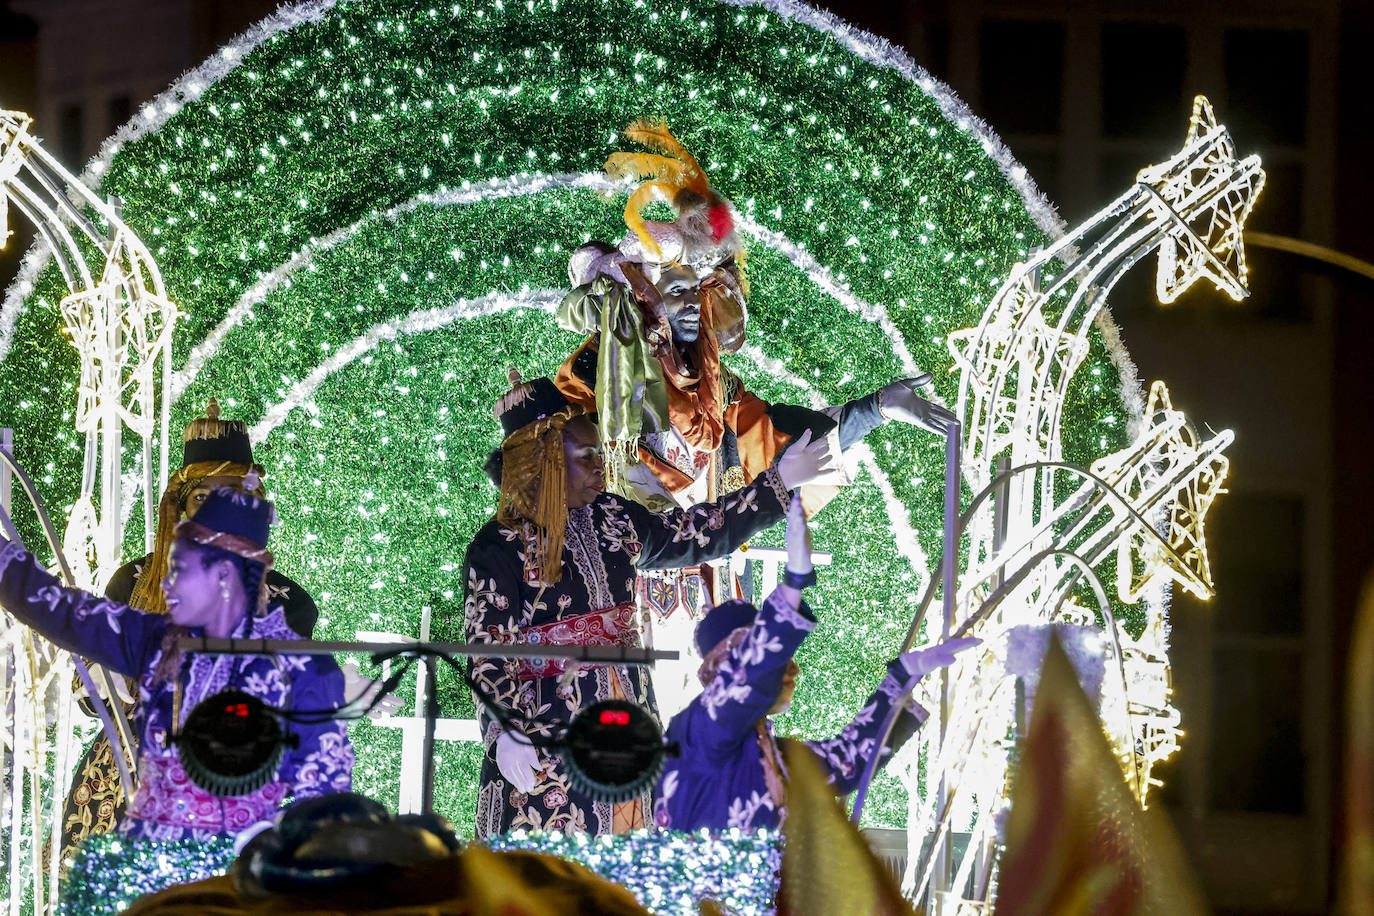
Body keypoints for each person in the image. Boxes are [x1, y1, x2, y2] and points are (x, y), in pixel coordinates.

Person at [457, 371, 842, 838]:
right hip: (549, 740)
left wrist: (775, 484)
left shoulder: (613, 516)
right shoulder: (497, 547)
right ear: (546, 462)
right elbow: (488, 654)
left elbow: (700, 535)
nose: (602, 466)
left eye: (599, 452)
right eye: (587, 455)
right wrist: (503, 734)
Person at [0, 480, 353, 910]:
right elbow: (56, 607)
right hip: (148, 864)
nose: (167, 585)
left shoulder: (298, 665)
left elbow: (323, 787)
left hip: (236, 872)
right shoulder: (155, 640)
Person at [60, 399, 321, 862]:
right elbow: (87, 694)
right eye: (203, 496)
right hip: (126, 781)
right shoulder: (134, 581)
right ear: (179, 507)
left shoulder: (289, 602)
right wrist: (107, 676)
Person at [652, 493, 978, 831]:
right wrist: (793, 583)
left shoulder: (767, 753)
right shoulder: (693, 735)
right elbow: (745, 682)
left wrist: (904, 674)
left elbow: (844, 763)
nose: (795, 668)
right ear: (734, 664)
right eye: (778, 655)